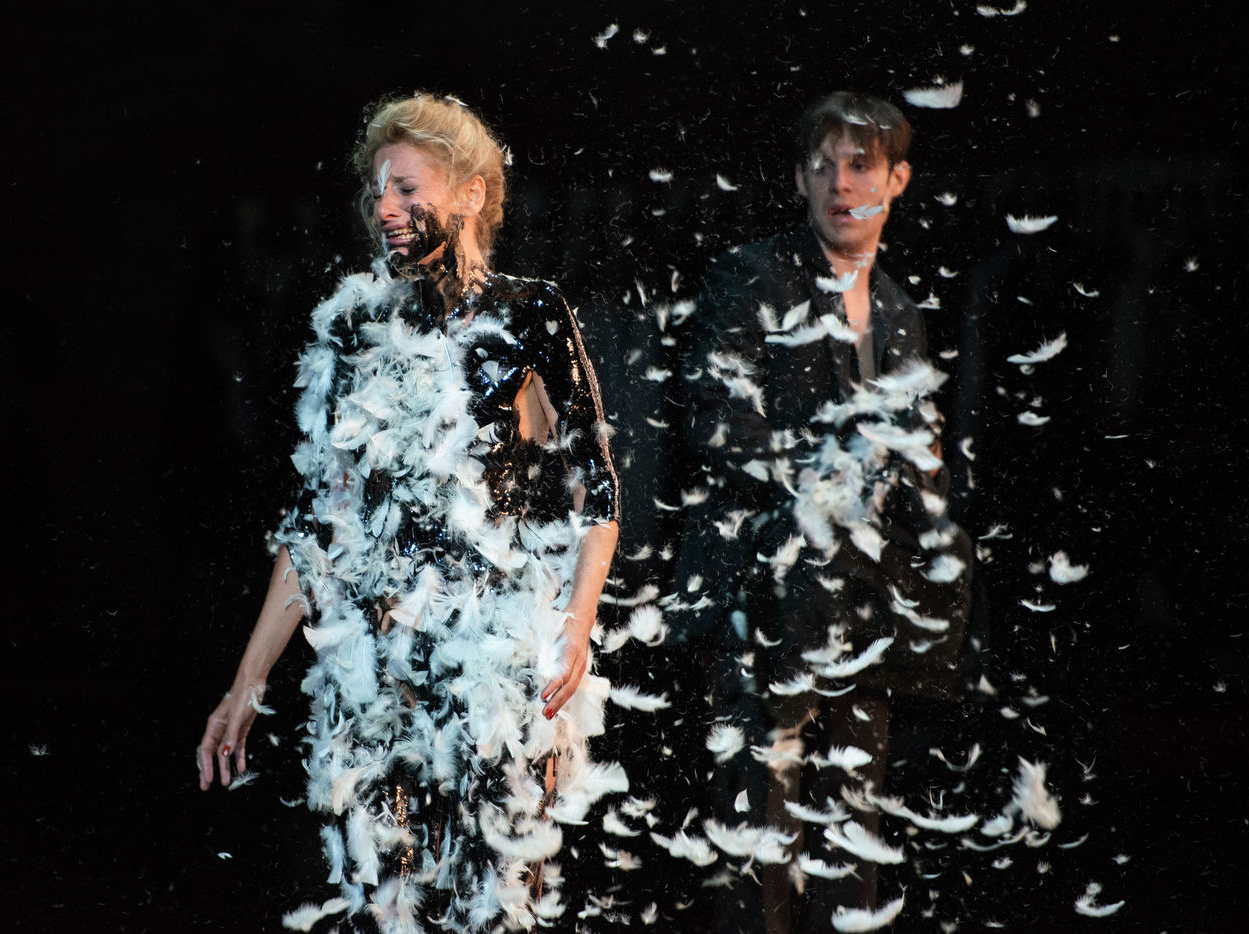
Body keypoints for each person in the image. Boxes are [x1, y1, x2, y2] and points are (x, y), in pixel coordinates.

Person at [197, 93, 621, 932]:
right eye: (377, 191)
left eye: (407, 188)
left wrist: (575, 624)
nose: (384, 208)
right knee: (382, 909)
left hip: (495, 662)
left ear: (469, 194)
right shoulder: (354, 328)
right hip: (377, 669)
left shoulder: (530, 311)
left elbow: (598, 489)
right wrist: (247, 682)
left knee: (496, 907)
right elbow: (317, 523)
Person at [681, 91, 972, 931]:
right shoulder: (752, 276)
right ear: (800, 180)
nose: (841, 184)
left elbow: (915, 463)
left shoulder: (902, 313)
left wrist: (922, 501)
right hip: (762, 602)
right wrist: (837, 486)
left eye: (860, 165)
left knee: (853, 845)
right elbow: (718, 427)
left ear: (897, 179)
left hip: (862, 612)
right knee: (758, 848)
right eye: (823, 166)